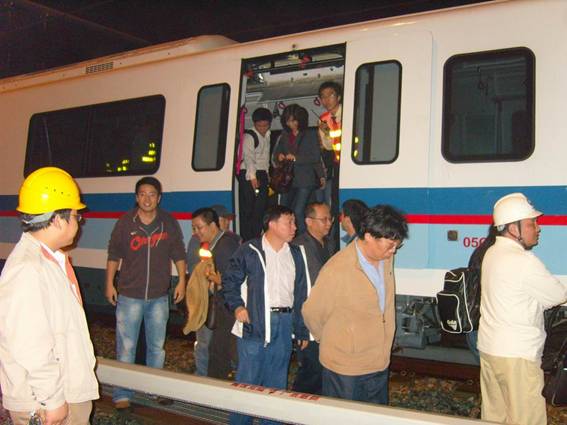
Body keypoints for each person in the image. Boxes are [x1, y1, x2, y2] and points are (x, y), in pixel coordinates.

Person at [0, 167, 99, 425]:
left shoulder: (47, 261)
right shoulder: (28, 268)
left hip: (63, 391)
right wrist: (52, 400)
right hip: (47, 403)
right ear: (57, 219)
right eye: (76, 216)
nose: (79, 222)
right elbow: (29, 343)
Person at [302, 205, 408, 405]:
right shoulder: (337, 269)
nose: (393, 251)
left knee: (375, 417)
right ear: (368, 237)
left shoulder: (386, 259)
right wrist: (337, 340)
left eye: (397, 246)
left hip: (378, 362)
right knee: (343, 417)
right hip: (345, 368)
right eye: (390, 245)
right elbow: (311, 312)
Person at [478, 193, 567, 425]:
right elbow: (558, 295)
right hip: (517, 354)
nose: (538, 228)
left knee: (494, 417)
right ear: (512, 228)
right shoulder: (523, 261)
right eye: (531, 223)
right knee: (526, 419)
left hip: (490, 349)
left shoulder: (492, 253)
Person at [221, 205, 309, 425]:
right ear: (272, 224)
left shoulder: (296, 253)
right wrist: (238, 307)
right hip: (255, 321)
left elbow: (301, 294)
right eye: (289, 222)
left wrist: (301, 329)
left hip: (285, 321)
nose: (295, 227)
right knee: (248, 381)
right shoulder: (250, 250)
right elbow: (229, 281)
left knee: (277, 382)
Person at [105, 176, 186, 410]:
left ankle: (154, 390)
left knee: (156, 348)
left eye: (152, 194)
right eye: (142, 194)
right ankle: (122, 393)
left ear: (159, 198)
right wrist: (109, 283)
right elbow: (114, 255)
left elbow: (178, 253)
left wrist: (182, 281)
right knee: (126, 347)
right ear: (136, 197)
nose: (147, 199)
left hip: (159, 296)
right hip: (129, 295)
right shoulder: (125, 223)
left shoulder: (168, 222)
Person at [190, 207, 240, 379]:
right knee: (219, 352)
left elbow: (234, 280)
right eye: (194, 228)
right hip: (226, 310)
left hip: (228, 312)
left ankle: (217, 389)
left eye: (199, 227)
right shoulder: (219, 244)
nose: (196, 232)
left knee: (220, 354)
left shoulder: (224, 246)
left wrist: (219, 281)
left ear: (212, 225)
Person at [291, 202, 335, 395]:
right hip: (309, 319)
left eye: (330, 219)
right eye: (324, 219)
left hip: (326, 317)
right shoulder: (298, 247)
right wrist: (300, 328)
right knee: (311, 369)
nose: (329, 223)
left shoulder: (328, 244)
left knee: (321, 368)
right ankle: (298, 404)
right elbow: (298, 289)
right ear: (309, 221)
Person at [273, 104, 323, 235]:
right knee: (284, 210)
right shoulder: (284, 135)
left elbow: (315, 157)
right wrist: (279, 156)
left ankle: (304, 239)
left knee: (299, 210)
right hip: (287, 180)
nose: (291, 124)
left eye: (293, 121)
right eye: (288, 121)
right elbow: (275, 155)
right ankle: (287, 235)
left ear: (300, 120)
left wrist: (296, 158)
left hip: (305, 179)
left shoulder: (310, 134)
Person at [237, 107, 272, 241]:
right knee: (248, 209)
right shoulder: (249, 136)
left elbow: (265, 157)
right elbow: (248, 158)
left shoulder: (267, 135)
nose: (262, 128)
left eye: (265, 125)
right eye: (259, 126)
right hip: (248, 173)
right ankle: (247, 238)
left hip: (261, 172)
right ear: (254, 123)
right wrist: (252, 177)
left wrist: (267, 173)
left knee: (260, 208)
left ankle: (256, 236)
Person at [465, 225, 497, 364]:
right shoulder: (498, 254)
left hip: (476, 318)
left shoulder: (481, 251)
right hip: (489, 320)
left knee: (486, 365)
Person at [316, 81, 343, 208]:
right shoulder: (323, 119)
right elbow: (327, 146)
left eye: (330, 95)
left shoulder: (350, 112)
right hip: (337, 162)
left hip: (353, 160)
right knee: (336, 196)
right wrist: (326, 133)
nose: (326, 100)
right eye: (323, 97)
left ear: (338, 97)